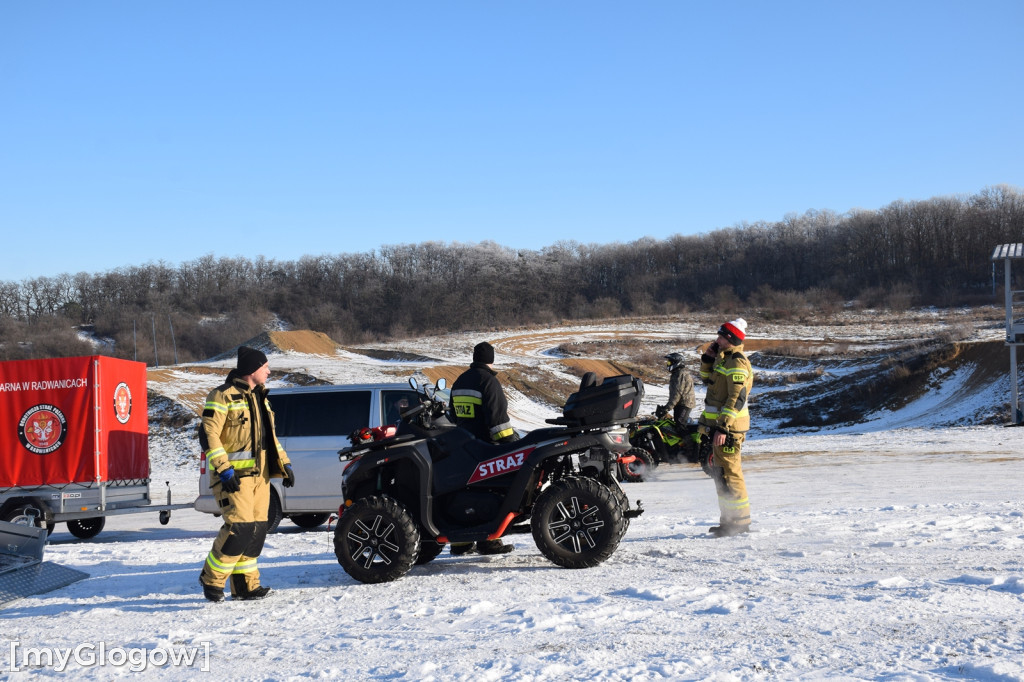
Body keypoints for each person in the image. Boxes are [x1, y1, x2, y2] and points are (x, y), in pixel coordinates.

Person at [198, 346, 295, 602]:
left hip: (260, 479)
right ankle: (211, 580)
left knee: (257, 531)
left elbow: (269, 439)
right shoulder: (221, 396)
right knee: (239, 529)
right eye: (266, 367)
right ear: (253, 369)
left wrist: (285, 465)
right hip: (233, 479)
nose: (269, 371)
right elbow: (208, 436)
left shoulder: (261, 397)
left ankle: (245, 587)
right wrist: (224, 469)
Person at [448, 341, 517, 556]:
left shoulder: (459, 381)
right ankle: (489, 542)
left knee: (463, 493)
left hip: (462, 448)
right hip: (486, 448)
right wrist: (512, 444)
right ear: (491, 360)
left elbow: (452, 416)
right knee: (491, 494)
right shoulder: (488, 382)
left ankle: (460, 543)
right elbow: (498, 422)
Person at [698, 319, 754, 538]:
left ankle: (740, 522)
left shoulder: (737, 363)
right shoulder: (723, 360)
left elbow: (736, 398)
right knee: (721, 475)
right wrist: (708, 359)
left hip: (729, 430)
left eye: (721, 336)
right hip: (719, 429)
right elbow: (707, 381)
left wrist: (723, 428)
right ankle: (728, 521)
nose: (717, 339)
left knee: (731, 474)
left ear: (730, 339)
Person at [657, 352, 696, 425]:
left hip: (685, 404)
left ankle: (687, 437)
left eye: (669, 362)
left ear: (676, 363)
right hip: (680, 404)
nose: (668, 364)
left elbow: (677, 394)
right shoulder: (676, 374)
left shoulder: (680, 374)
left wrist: (667, 408)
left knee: (680, 424)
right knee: (675, 424)